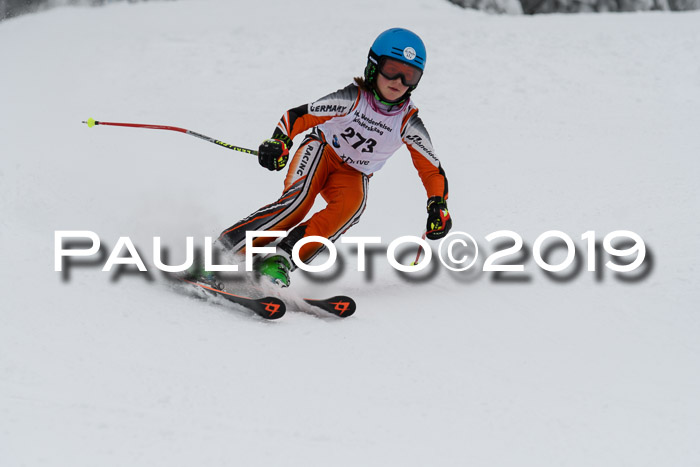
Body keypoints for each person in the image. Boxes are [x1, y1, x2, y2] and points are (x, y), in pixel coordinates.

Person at [216, 28, 452, 287]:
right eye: (391, 69)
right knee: (297, 204)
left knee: (351, 208)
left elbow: (431, 169)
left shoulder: (408, 120)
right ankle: (222, 252)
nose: (398, 81)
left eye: (409, 75)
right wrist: (279, 141)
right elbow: (299, 115)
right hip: (321, 152)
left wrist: (437, 205)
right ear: (374, 67)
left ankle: (279, 260)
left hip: (353, 173)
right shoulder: (352, 98)